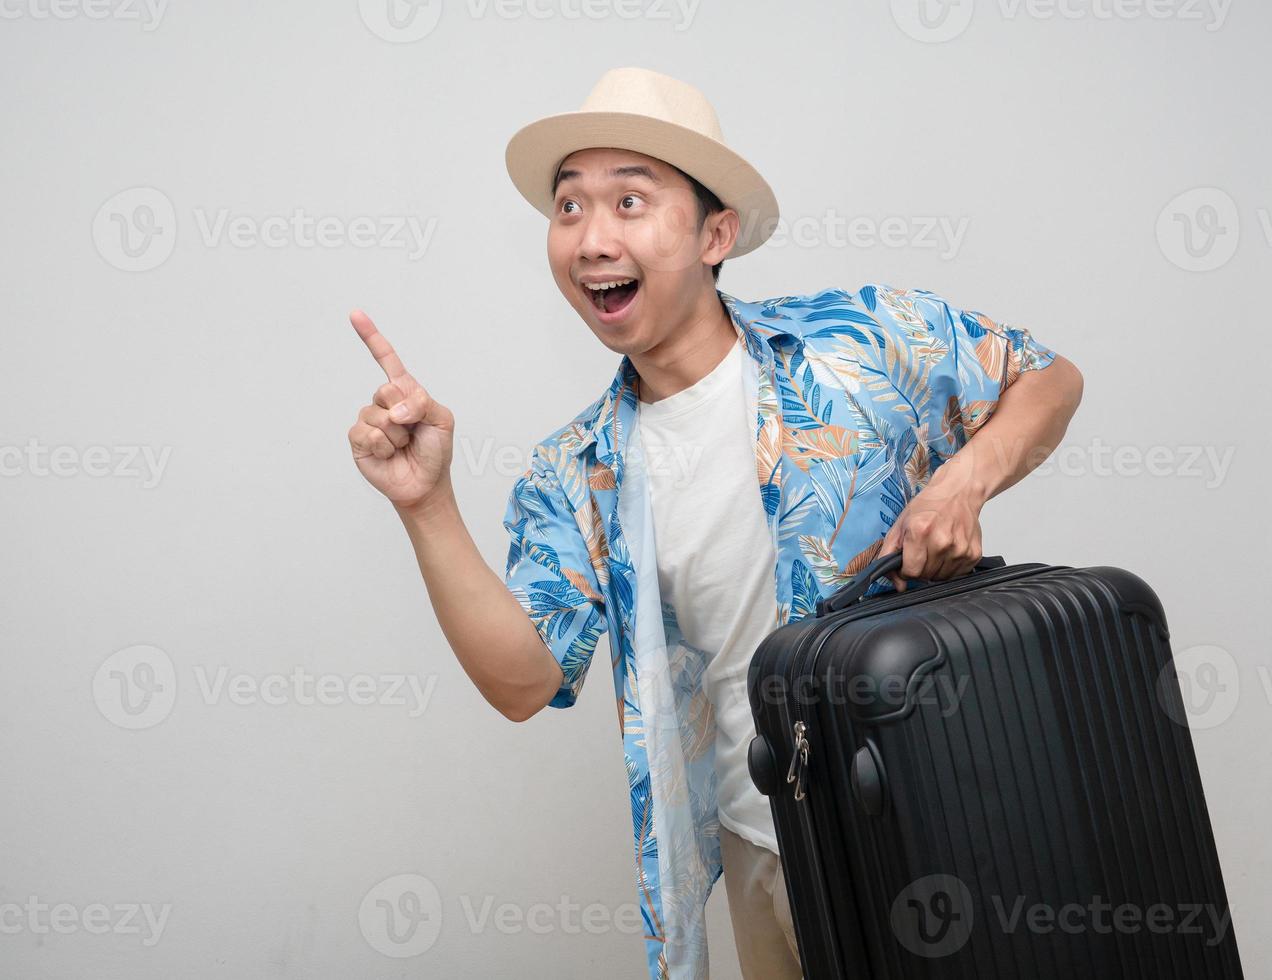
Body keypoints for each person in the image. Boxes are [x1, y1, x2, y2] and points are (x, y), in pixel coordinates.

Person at [345, 66, 1083, 980]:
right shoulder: (573, 474)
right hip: (763, 843)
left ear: (715, 232)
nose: (592, 238)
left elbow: (1045, 379)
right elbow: (521, 681)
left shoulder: (855, 338)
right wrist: (425, 504)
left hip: (950, 806)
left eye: (629, 200)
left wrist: (960, 485)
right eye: (569, 207)